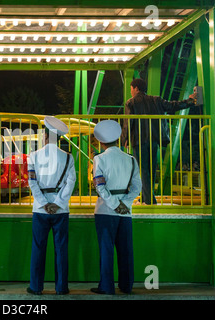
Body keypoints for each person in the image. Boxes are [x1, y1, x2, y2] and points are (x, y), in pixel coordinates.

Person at [121, 78, 199, 205]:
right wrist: (191, 101)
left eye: (131, 89)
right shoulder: (156, 100)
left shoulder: (131, 103)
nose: (131, 92)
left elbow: (128, 123)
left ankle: (148, 199)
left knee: (142, 170)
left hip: (138, 140)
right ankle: (147, 197)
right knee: (150, 169)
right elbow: (173, 105)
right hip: (154, 140)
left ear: (135, 88)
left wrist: (125, 139)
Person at [91, 120, 142, 295]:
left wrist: (113, 204)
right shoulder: (131, 159)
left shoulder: (99, 159)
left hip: (106, 210)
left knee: (106, 249)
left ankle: (106, 286)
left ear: (101, 141)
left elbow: (100, 186)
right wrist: (124, 204)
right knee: (126, 249)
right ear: (118, 138)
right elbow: (137, 187)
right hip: (125, 212)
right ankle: (126, 285)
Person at [26, 116, 76, 295]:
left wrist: (44, 203)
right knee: (61, 249)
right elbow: (71, 183)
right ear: (59, 138)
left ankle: (36, 287)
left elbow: (32, 183)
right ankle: (62, 287)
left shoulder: (33, 156)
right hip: (61, 211)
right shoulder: (68, 158)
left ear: (46, 137)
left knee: (38, 248)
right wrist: (57, 203)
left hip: (40, 210)